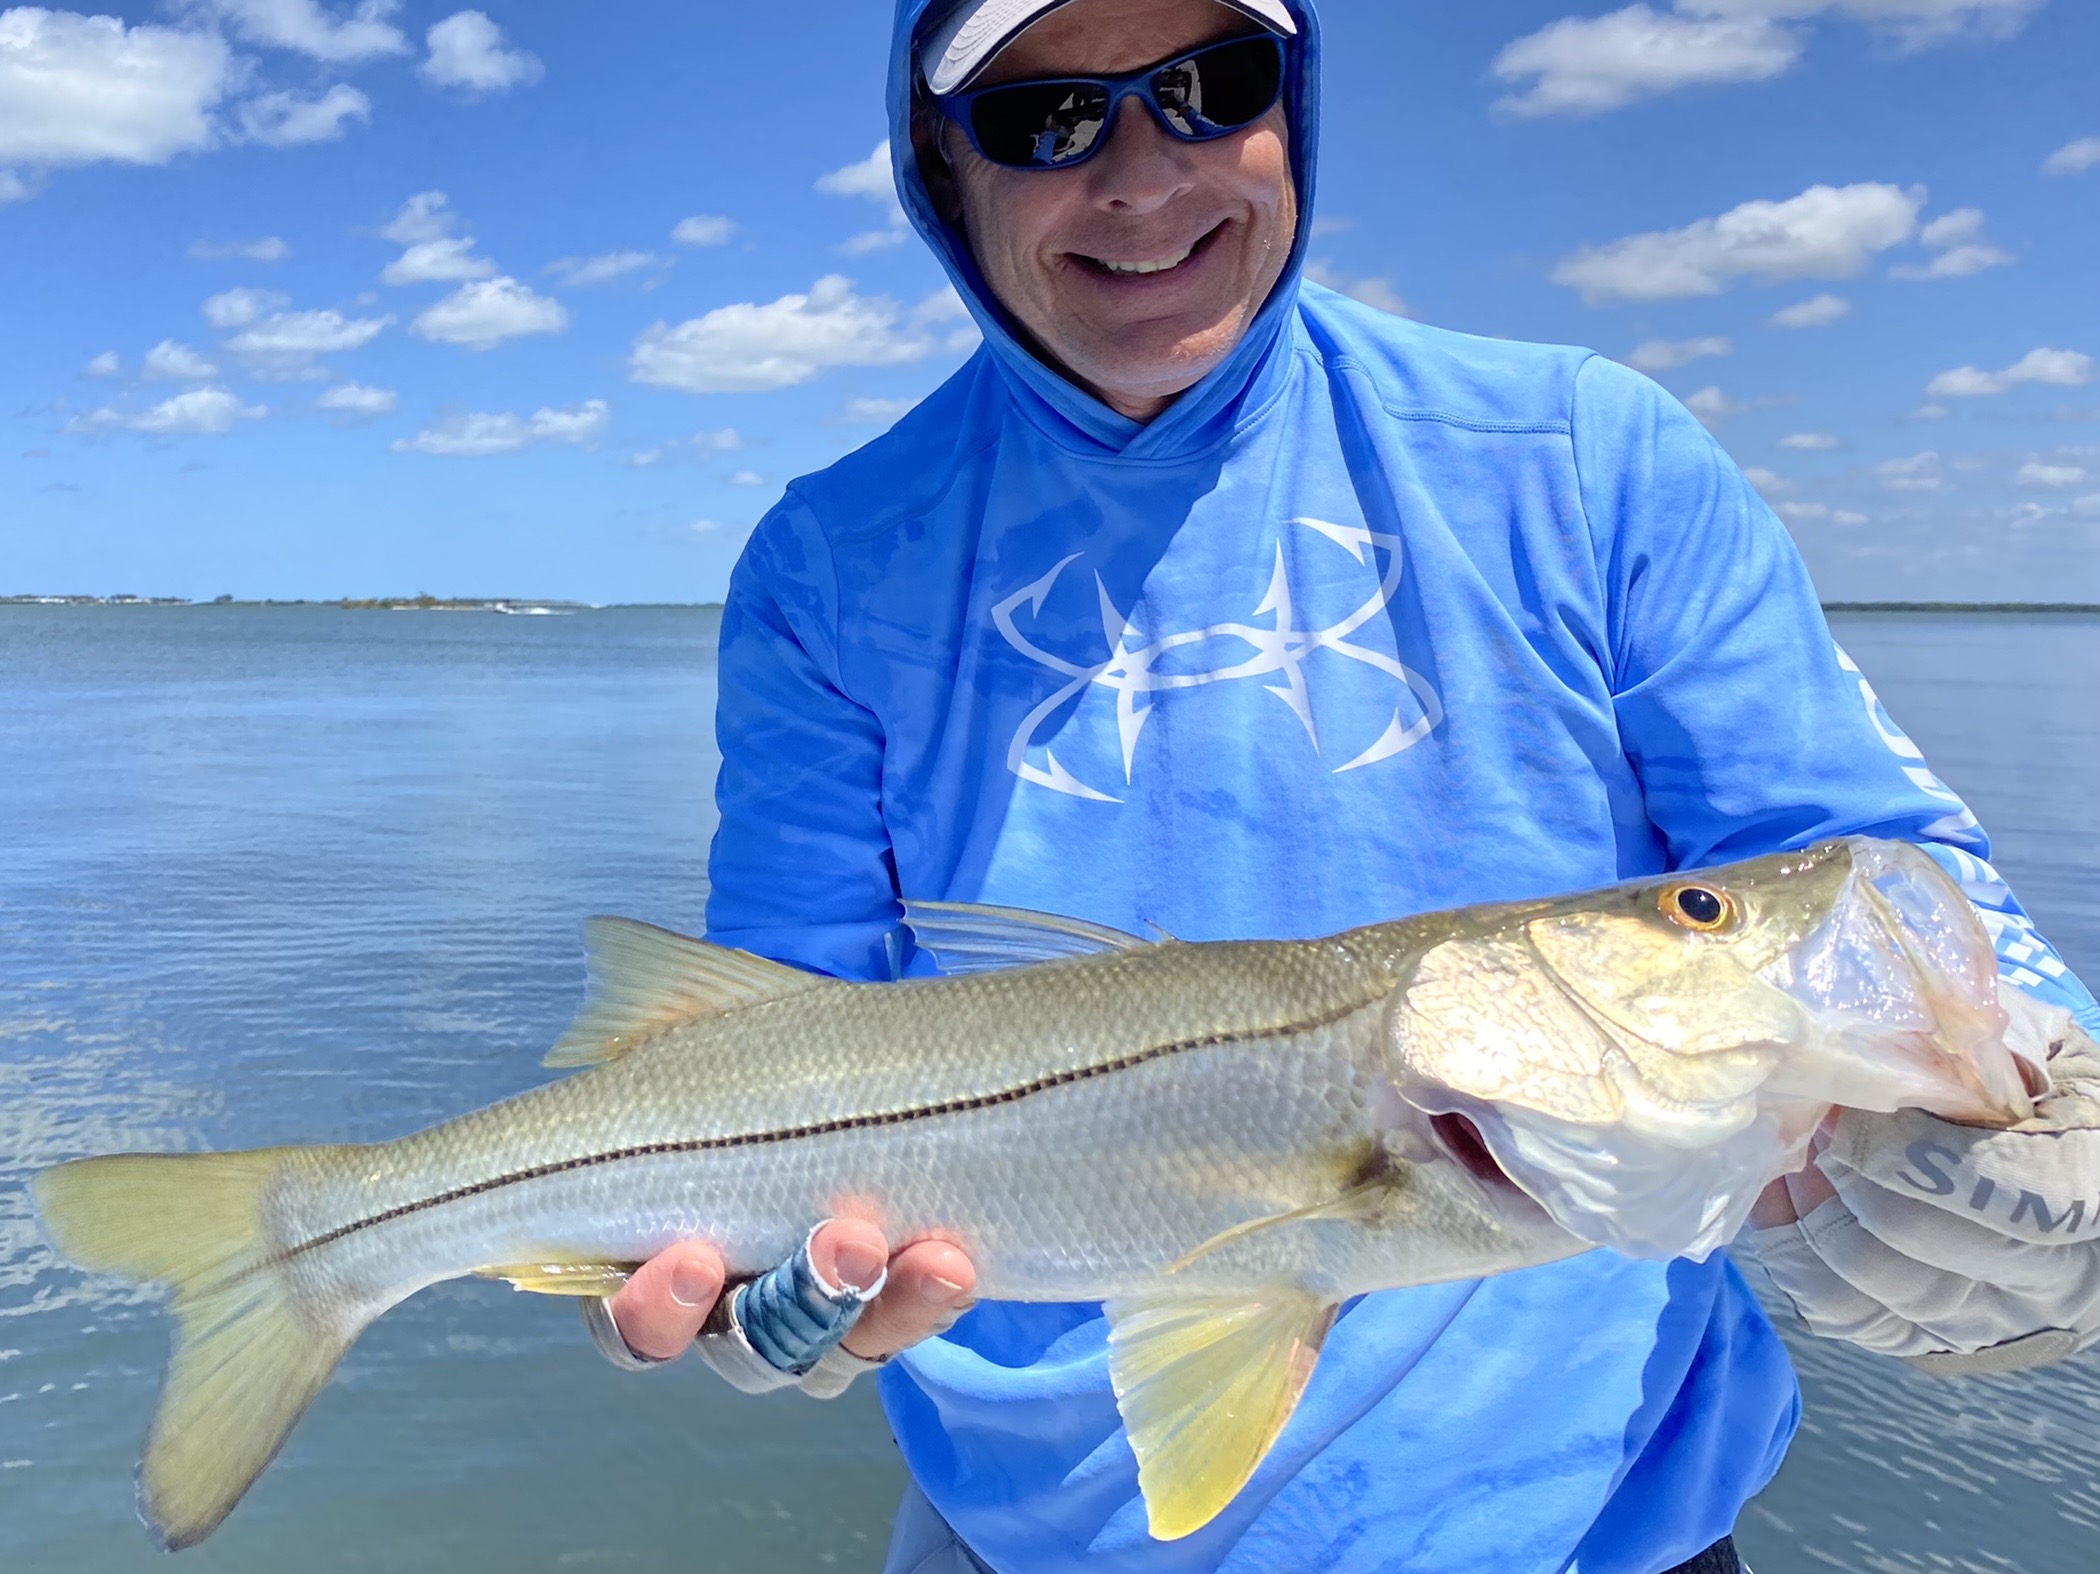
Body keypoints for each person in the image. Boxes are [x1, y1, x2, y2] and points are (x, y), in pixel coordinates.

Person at [583, 2, 2100, 1571]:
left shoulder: (1582, 455)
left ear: (1295, 107)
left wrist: (2055, 1074)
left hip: (1600, 1533)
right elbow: (764, 1034)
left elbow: (1860, 869)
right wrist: (736, 1264)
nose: (1142, 177)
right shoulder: (827, 568)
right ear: (936, 167)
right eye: (1047, 118)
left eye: (1207, 84)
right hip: (1018, 1537)